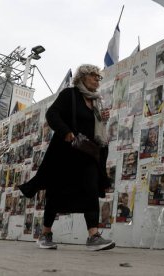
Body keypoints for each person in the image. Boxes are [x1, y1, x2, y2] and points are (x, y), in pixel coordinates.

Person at [19, 64, 114, 251]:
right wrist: (66, 132)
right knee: (56, 192)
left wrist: (101, 117)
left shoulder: (96, 101)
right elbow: (51, 114)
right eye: (93, 76)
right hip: (65, 154)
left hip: (88, 154)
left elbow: (95, 128)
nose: (97, 80)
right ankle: (45, 233)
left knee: (91, 190)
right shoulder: (69, 95)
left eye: (99, 77)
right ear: (82, 78)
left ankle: (93, 236)